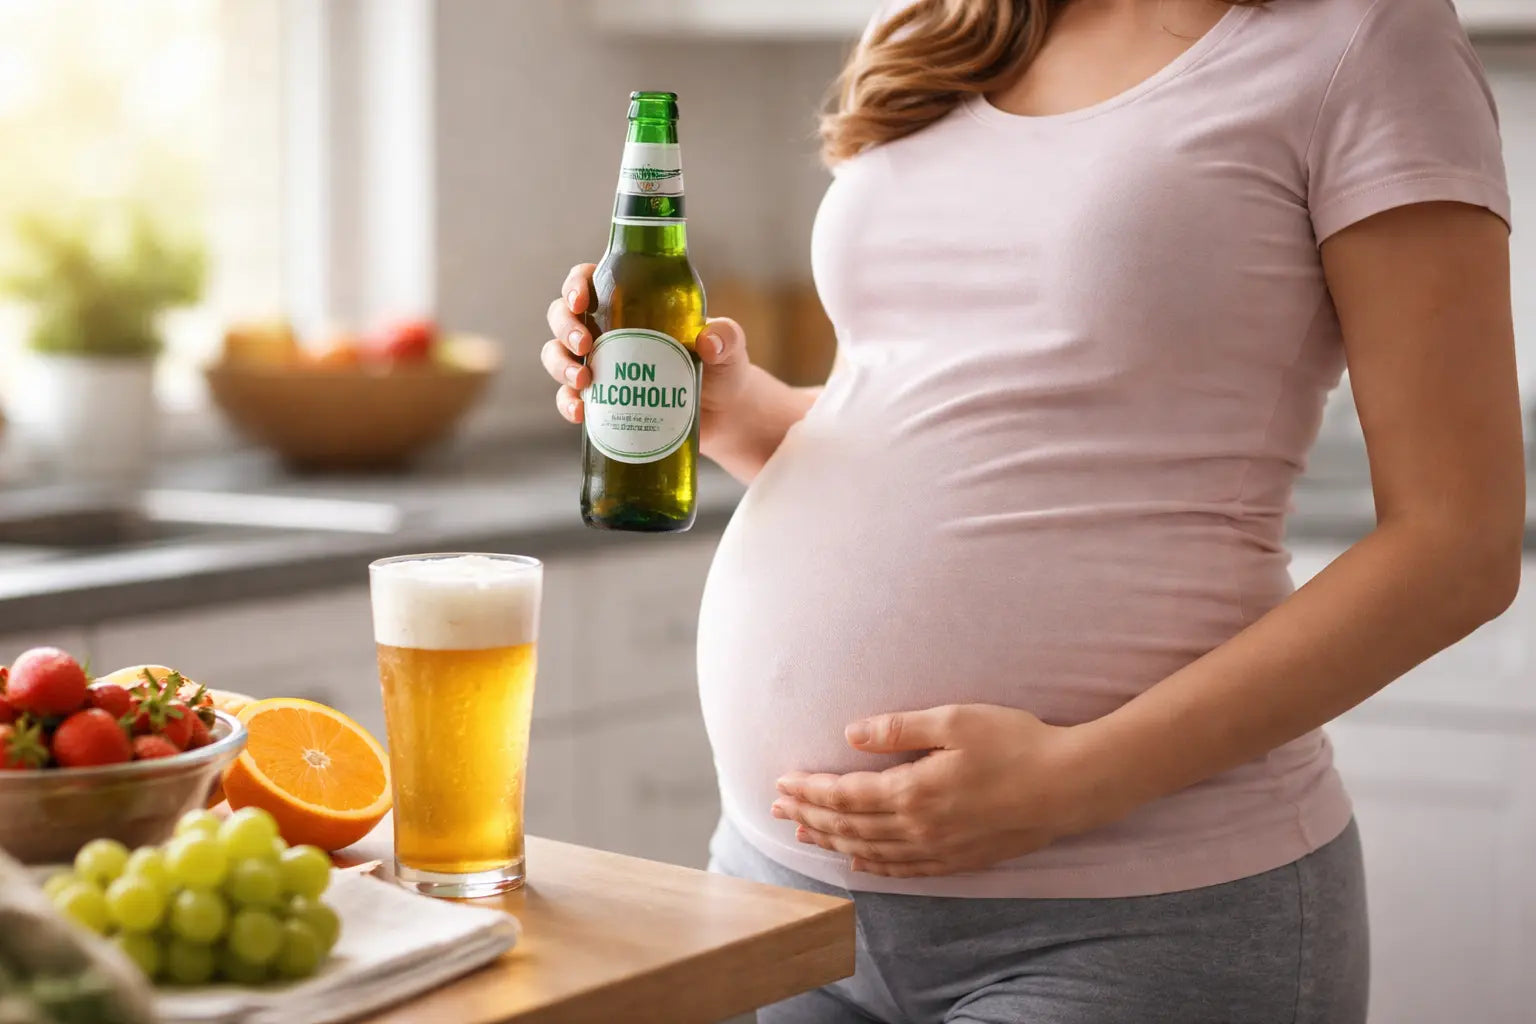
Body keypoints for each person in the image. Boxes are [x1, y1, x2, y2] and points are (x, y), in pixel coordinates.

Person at [541, 0, 1526, 1019]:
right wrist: (734, 410)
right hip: (780, 893)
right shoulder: (950, 18)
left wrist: (1074, 778)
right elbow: (933, 414)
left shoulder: (1365, 37)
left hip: (1129, 924)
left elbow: (1460, 543)